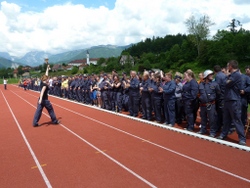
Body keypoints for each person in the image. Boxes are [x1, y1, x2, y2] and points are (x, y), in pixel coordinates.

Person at [217, 60, 246, 145]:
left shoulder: (236, 75)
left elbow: (226, 84)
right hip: (227, 99)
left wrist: (226, 76)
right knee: (226, 119)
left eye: (227, 66)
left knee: (236, 119)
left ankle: (242, 138)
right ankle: (223, 134)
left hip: (234, 100)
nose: (226, 68)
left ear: (230, 66)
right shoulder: (231, 75)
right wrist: (227, 76)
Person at [198, 70, 221, 137]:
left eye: (212, 75)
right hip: (202, 105)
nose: (211, 76)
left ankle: (212, 132)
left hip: (211, 104)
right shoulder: (201, 85)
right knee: (203, 118)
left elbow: (218, 94)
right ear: (206, 76)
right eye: (210, 75)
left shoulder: (215, 84)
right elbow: (198, 93)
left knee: (212, 119)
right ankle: (203, 129)